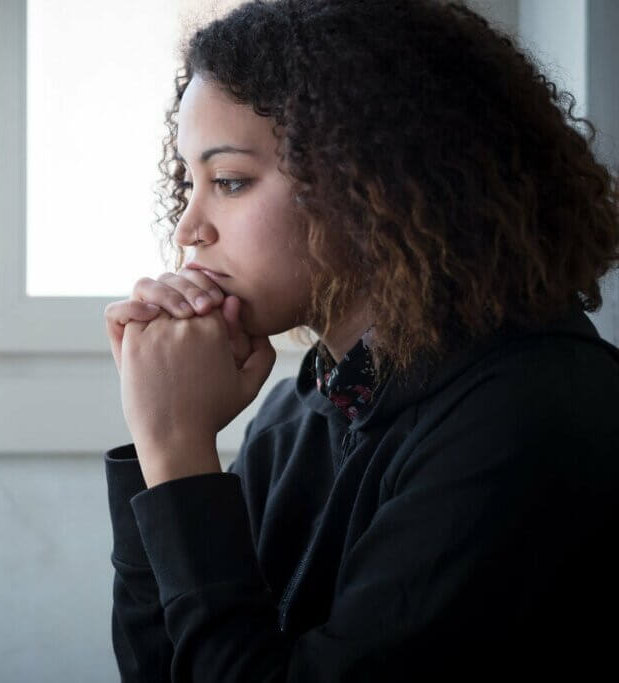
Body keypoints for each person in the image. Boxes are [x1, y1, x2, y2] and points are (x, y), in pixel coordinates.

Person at [101, 1, 619, 681]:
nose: (189, 227)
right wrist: (161, 453)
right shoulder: (300, 411)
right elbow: (162, 670)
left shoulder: (526, 420)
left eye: (229, 181)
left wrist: (177, 454)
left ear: (369, 179)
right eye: (189, 183)